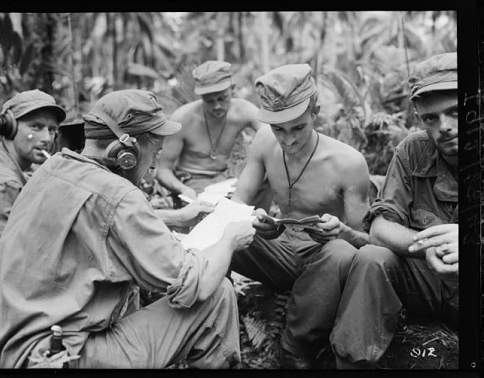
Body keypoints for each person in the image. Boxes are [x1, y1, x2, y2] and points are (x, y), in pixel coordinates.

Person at [0, 89, 256, 369]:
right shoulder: (118, 194)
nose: (154, 165)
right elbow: (197, 285)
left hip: (13, 347)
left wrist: (177, 217)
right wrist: (229, 239)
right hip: (62, 356)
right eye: (154, 153)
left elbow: (100, 217)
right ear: (127, 152)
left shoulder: (53, 167)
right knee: (217, 294)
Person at [230, 64, 372, 368]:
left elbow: (366, 244)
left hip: (325, 264)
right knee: (222, 223)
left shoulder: (348, 163)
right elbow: (238, 200)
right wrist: (254, 218)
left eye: (298, 128)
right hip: (280, 253)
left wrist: (341, 231)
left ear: (315, 112)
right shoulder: (264, 143)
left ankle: (294, 345)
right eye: (278, 129)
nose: (289, 140)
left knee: (343, 252)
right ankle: (220, 326)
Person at [337, 52, 458, 368]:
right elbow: (380, 227)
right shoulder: (414, 150)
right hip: (430, 281)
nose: (444, 127)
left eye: (457, 112)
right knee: (371, 257)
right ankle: (352, 363)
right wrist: (428, 246)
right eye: (431, 118)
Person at [156, 60, 271, 208]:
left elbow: (271, 136)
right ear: (200, 97)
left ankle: (259, 223)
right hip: (194, 180)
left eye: (222, 98)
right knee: (210, 213)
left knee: (267, 176)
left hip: (229, 178)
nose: (217, 106)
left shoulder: (243, 111)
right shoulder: (183, 118)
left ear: (232, 89)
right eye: (209, 101)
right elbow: (163, 170)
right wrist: (183, 189)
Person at [0, 89, 66, 244]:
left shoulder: (21, 165)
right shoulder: (4, 185)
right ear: (9, 127)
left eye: (52, 130)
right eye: (36, 127)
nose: (47, 138)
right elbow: (6, 258)